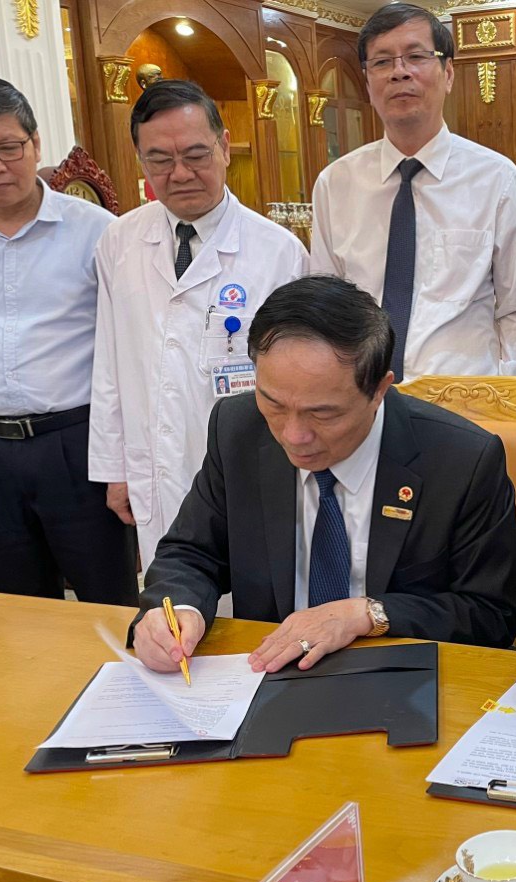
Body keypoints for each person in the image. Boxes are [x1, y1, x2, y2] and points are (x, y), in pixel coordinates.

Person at [132, 275, 516, 673]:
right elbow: (191, 553)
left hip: (399, 676)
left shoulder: (462, 461)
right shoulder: (238, 429)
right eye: (274, 404)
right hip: (268, 672)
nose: (293, 435)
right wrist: (178, 609)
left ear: (379, 390)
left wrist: (367, 614)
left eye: (322, 413)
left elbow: (490, 615)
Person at [0, 76, 137, 603]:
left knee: (109, 606)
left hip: (76, 445)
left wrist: (123, 464)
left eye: (8, 147)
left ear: (36, 143)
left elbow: (126, 356)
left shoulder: (98, 231)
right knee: (16, 612)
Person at [90, 80, 306, 570]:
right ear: (140, 161)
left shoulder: (279, 252)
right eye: (160, 160)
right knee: (173, 594)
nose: (180, 173)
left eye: (195, 154)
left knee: (252, 595)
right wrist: (114, 469)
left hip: (252, 466)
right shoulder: (119, 241)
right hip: (154, 467)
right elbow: (109, 363)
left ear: (224, 147)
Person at [309, 2, 516, 382]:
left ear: (448, 73)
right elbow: (327, 307)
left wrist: (506, 392)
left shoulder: (497, 180)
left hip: (466, 399)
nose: (400, 72)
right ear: (368, 84)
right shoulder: (335, 184)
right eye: (382, 62)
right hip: (365, 395)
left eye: (416, 57)